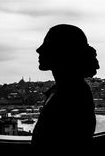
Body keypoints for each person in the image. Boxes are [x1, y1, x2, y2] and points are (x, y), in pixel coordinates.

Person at [31, 24, 99, 153]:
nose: (39, 49)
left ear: (63, 51)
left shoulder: (72, 95)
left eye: (47, 44)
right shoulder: (68, 89)